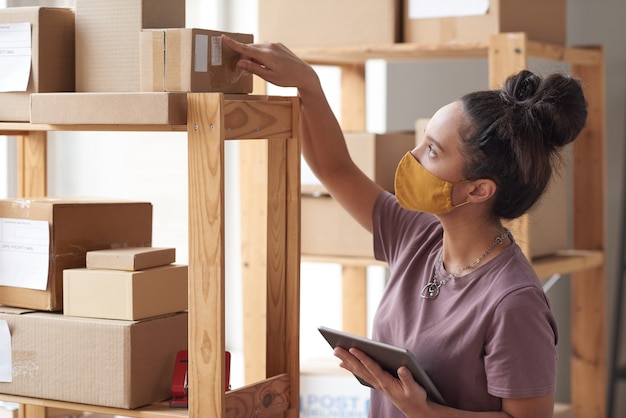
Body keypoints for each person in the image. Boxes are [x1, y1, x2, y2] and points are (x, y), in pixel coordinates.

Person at [221, 35, 588, 418]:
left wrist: (424, 411)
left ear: (478, 189)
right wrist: (308, 83)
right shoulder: (418, 235)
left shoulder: (514, 301)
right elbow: (335, 170)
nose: (412, 158)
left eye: (432, 150)